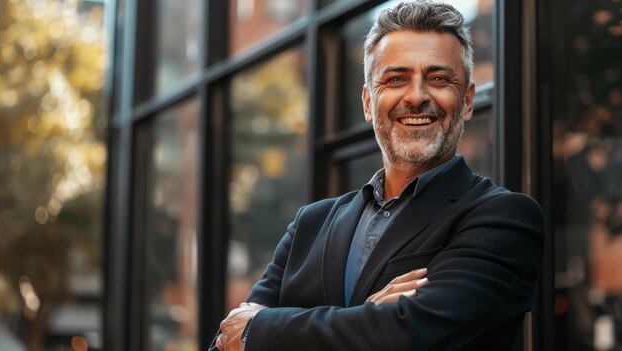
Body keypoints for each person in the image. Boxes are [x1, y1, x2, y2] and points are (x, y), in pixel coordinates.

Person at [212, 1, 545, 350]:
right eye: (396, 79)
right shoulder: (310, 226)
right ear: (369, 103)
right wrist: (367, 316)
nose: (416, 96)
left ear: (467, 101)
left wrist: (262, 329)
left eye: (439, 78)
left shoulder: (504, 218)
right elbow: (225, 342)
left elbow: (410, 335)